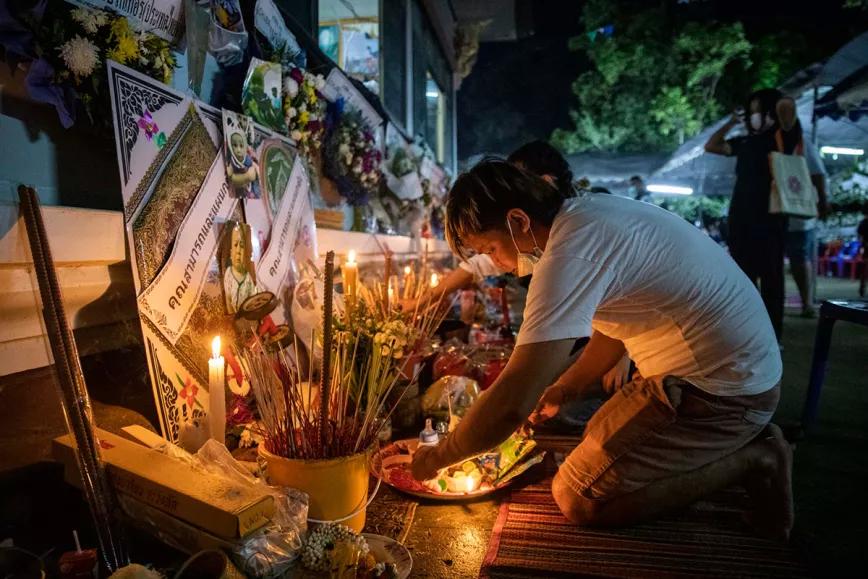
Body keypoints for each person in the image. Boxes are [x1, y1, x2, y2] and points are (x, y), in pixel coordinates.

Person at [411, 160, 791, 540]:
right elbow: (615, 328)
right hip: (720, 370)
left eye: (492, 248)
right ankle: (735, 442)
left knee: (580, 497)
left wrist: (441, 455)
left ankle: (757, 458)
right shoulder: (584, 218)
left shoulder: (568, 252)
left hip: (724, 391)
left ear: (519, 221)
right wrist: (565, 388)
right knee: (595, 435)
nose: (497, 264)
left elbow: (512, 400)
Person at [705, 88, 786, 343]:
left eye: (759, 111)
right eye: (751, 112)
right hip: (741, 216)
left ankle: (773, 335)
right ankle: (746, 331)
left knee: (771, 276)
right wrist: (731, 122)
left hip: (771, 216)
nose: (755, 116)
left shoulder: (784, 139)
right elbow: (712, 145)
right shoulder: (745, 142)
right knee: (743, 275)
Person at [775, 96, 829, 317]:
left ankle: (807, 302)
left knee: (800, 258)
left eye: (788, 111)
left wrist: (823, 200)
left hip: (799, 213)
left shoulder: (803, 142)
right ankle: (780, 301)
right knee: (777, 261)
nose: (785, 116)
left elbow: (818, 174)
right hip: (775, 212)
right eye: (782, 112)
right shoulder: (772, 140)